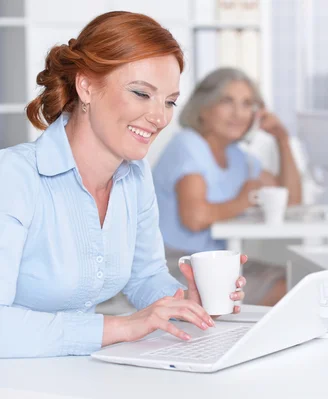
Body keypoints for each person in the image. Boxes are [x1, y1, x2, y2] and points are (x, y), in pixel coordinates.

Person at [0, 11, 247, 359]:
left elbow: (144, 277)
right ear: (86, 86)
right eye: (141, 93)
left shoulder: (135, 175)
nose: (160, 117)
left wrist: (187, 302)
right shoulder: (13, 177)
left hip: (83, 374)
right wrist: (123, 327)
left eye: (169, 100)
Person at [153, 67, 302, 306]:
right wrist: (243, 200)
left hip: (214, 263)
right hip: (174, 265)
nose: (239, 113)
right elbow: (195, 218)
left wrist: (281, 140)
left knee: (299, 281)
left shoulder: (239, 157)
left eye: (247, 104)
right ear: (203, 107)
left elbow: (290, 200)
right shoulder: (188, 145)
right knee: (288, 290)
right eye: (227, 101)